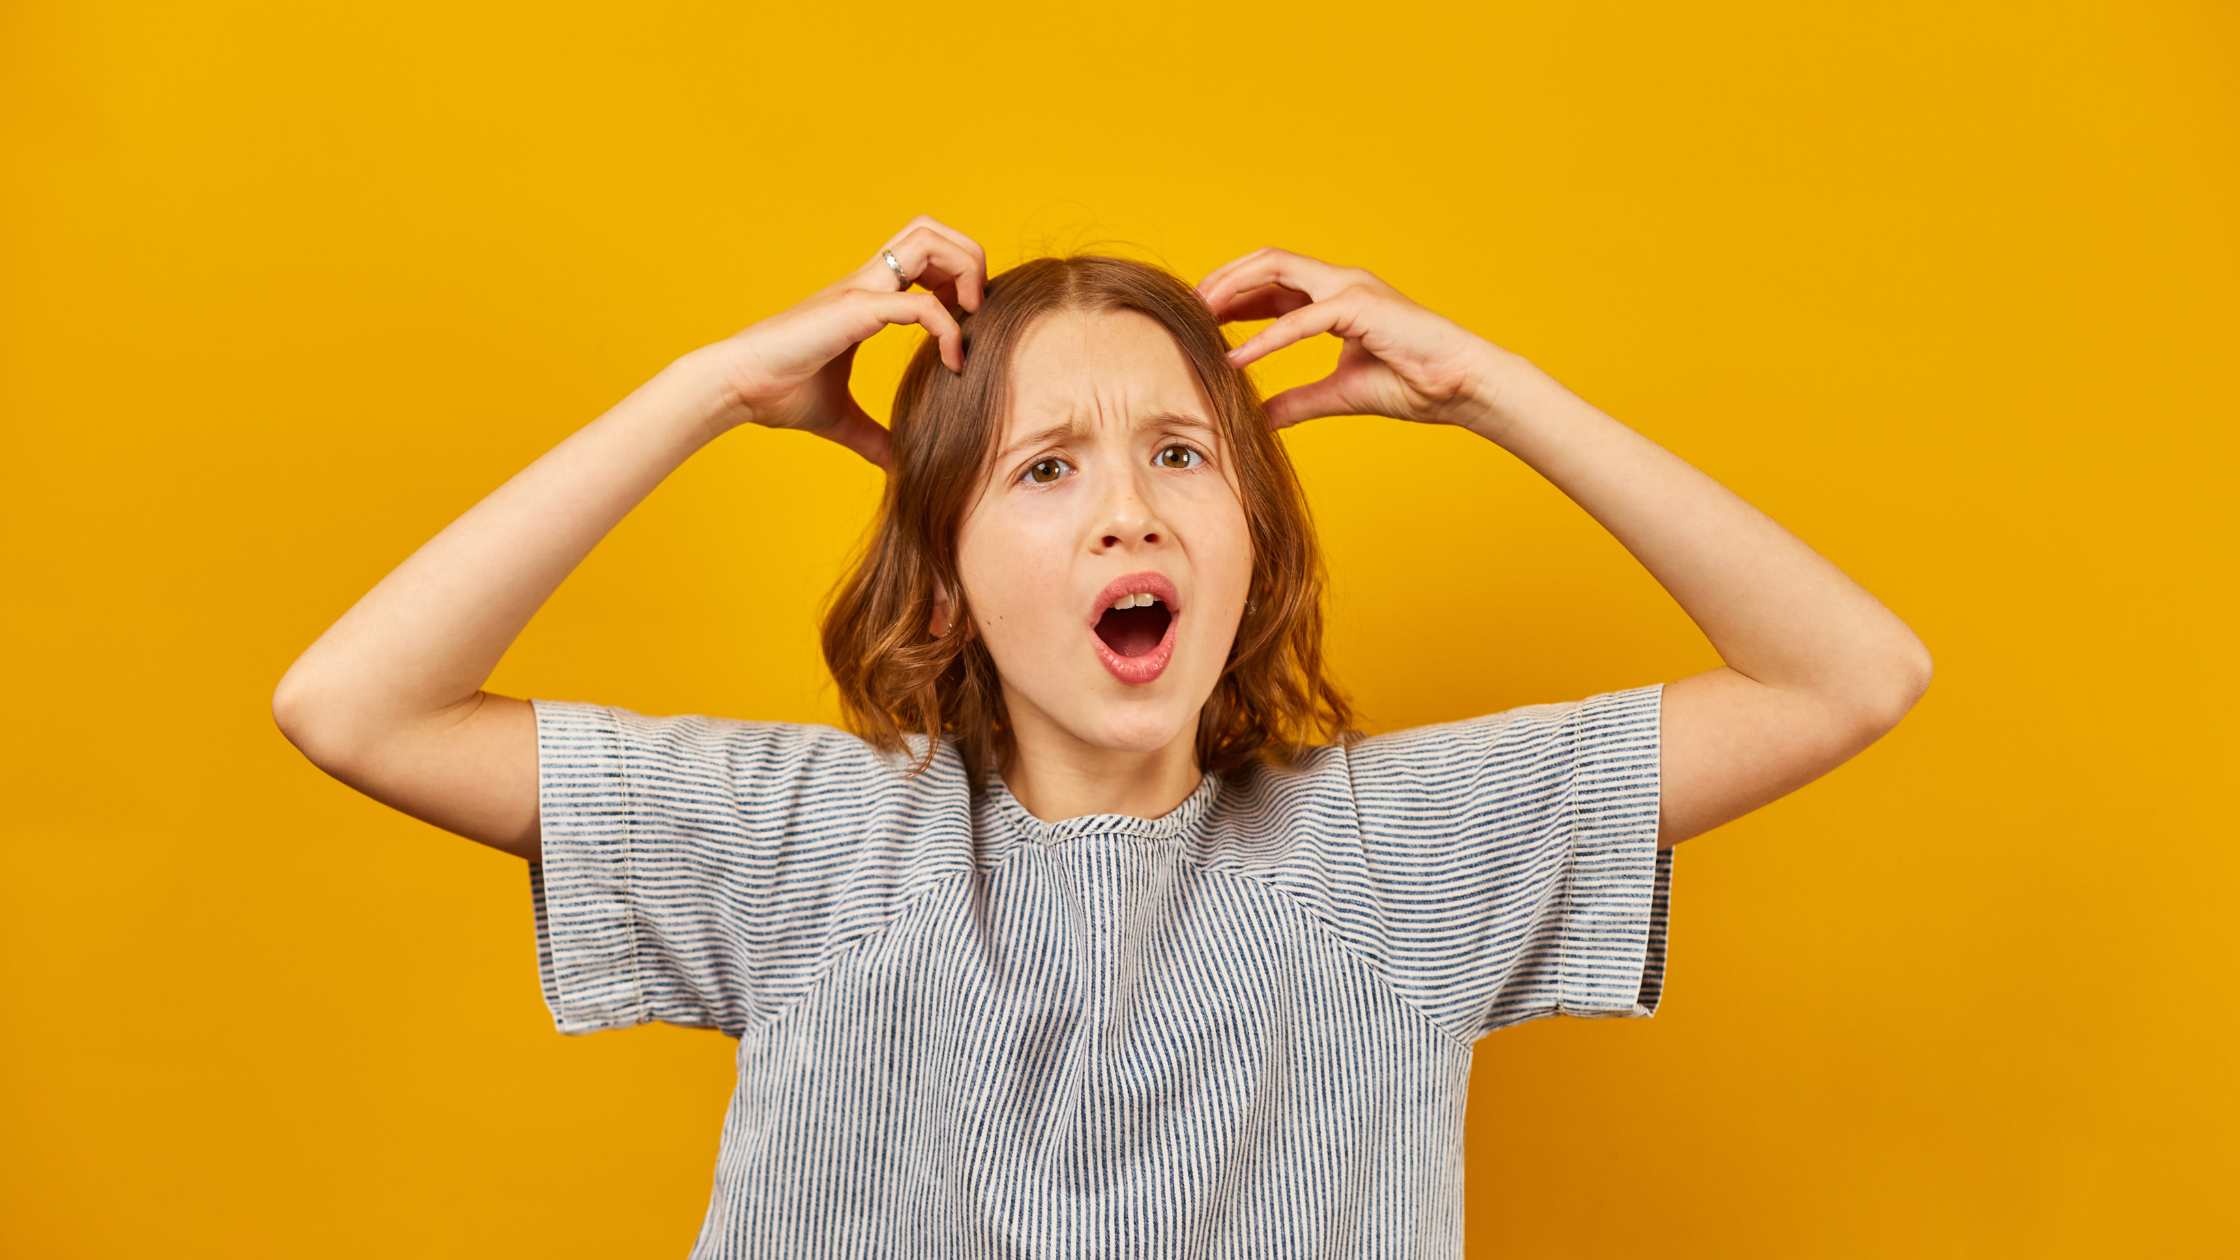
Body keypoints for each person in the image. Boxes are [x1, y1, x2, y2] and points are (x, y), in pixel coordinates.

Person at [272, 214, 1932, 1257]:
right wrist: (708, 392)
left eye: (1183, 456)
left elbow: (1845, 675)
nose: (1127, 511)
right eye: (1046, 468)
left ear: (1254, 542)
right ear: (950, 571)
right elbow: (354, 706)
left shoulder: (1392, 856)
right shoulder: (816, 847)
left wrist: (1488, 389)